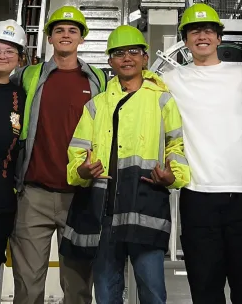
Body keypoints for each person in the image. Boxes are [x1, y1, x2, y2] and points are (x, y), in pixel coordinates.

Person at [59, 25, 190, 304]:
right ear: (110, 62)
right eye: (119, 53)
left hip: (145, 204)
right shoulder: (97, 105)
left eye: (133, 51)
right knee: (106, 291)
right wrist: (80, 171)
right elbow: (77, 151)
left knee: (152, 290)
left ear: (144, 58)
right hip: (104, 212)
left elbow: (176, 146)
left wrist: (173, 176)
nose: (126, 58)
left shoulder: (161, 99)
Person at [161, 3, 242, 304]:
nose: (201, 36)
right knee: (205, 287)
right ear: (185, 41)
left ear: (219, 38)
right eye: (194, 31)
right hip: (198, 193)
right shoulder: (172, 80)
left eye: (208, 30)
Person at [9, 6, 106, 304]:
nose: (66, 35)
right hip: (33, 194)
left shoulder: (98, 79)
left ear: (81, 39)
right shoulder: (27, 76)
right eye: (60, 30)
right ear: (50, 37)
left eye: (72, 30)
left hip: (80, 195)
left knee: (78, 287)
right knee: (28, 287)